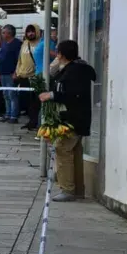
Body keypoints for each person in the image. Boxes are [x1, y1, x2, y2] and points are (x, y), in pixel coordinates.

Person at [39, 39, 97, 201]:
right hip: (78, 118)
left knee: (62, 149)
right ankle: (77, 189)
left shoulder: (75, 70)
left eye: (58, 53)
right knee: (75, 152)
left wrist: (51, 95)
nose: (56, 56)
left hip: (72, 118)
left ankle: (68, 189)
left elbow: (73, 94)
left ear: (61, 54)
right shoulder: (75, 68)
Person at [18, 25, 45, 131]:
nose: (30, 34)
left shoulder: (41, 44)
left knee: (36, 101)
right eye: (28, 32)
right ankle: (30, 121)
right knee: (26, 101)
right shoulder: (25, 43)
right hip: (23, 76)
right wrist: (17, 71)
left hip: (35, 76)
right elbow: (20, 58)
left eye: (32, 31)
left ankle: (35, 122)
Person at [0, 25, 22, 123]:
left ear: (9, 33)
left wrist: (16, 72)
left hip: (11, 73)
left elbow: (19, 60)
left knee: (12, 95)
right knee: (6, 95)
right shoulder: (4, 44)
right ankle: (7, 113)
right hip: (3, 72)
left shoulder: (17, 44)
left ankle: (14, 116)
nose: (2, 34)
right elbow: (0, 58)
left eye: (3, 32)